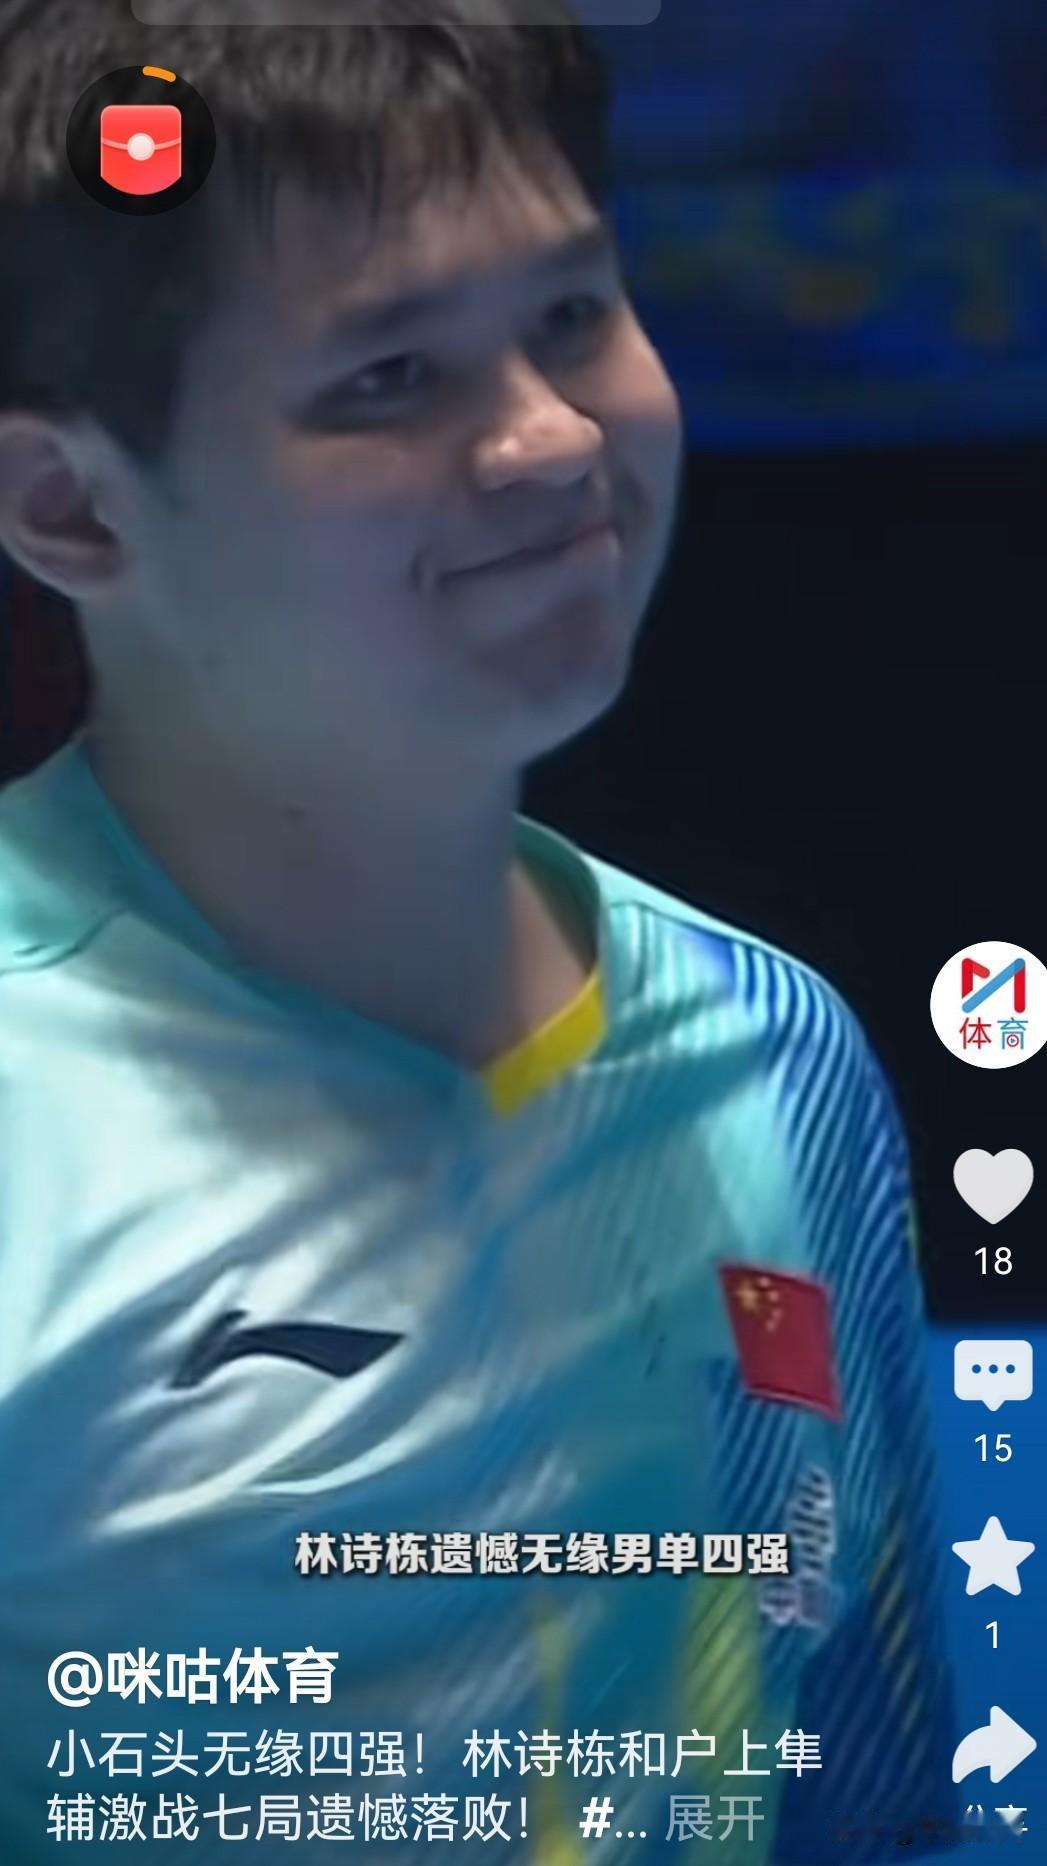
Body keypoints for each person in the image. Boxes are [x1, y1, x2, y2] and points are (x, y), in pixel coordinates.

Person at [0, 2, 961, 1860]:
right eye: (388, 377)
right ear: (68, 504)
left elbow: (866, 1792)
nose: (547, 439)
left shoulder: (780, 1048)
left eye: (573, 315)